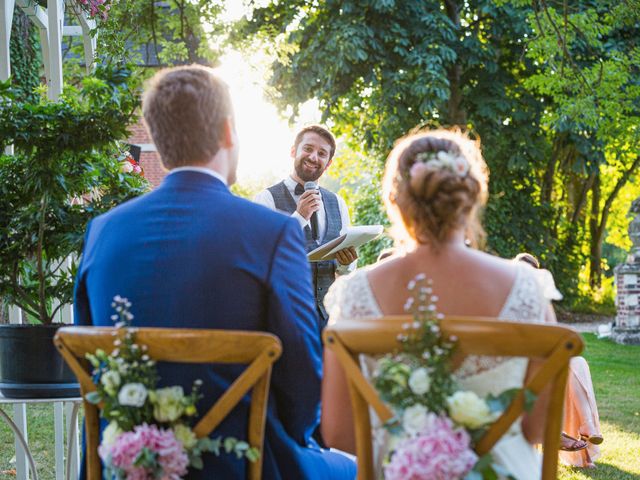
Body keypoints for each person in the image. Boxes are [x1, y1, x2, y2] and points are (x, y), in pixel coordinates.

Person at [73, 65, 355, 480]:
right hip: (247, 463)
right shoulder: (273, 232)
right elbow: (301, 388)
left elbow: (93, 366)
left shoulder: (102, 232)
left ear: (157, 138)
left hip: (127, 465)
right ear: (227, 132)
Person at [321, 129, 557, 480]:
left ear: (394, 200)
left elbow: (340, 434)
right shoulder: (528, 288)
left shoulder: (354, 293)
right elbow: (538, 429)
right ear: (472, 196)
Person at [254, 125, 358, 327]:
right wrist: (299, 217)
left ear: (328, 164)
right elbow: (261, 258)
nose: (313, 157)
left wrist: (347, 263)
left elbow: (348, 271)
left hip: (329, 321)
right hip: (284, 318)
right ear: (293, 151)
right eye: (308, 149)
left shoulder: (338, 203)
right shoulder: (266, 199)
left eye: (321, 153)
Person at [514, 253, 603, 468]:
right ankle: (557, 433)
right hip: (521, 370)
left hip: (545, 366)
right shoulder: (508, 303)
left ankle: (587, 428)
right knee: (563, 369)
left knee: (577, 363)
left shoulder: (540, 304)